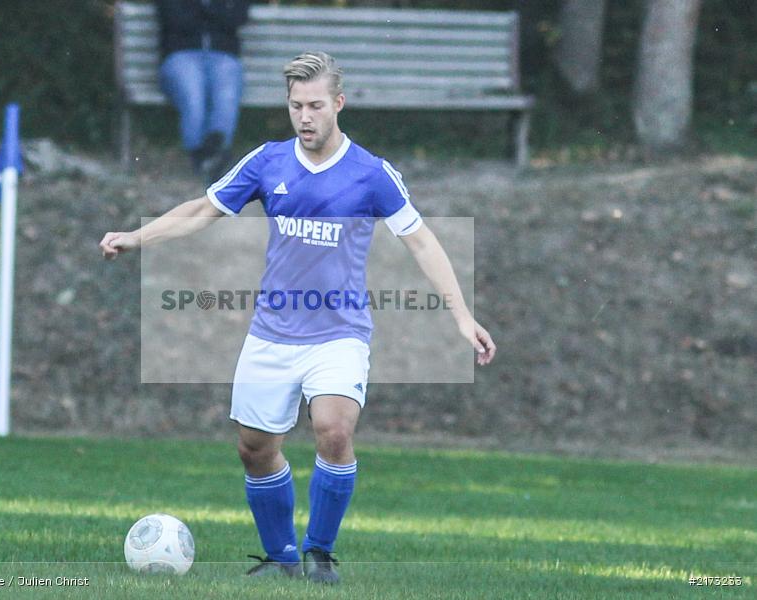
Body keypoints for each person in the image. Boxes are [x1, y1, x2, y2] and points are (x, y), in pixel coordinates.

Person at [100, 51, 496, 585]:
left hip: (339, 335)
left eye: (315, 106)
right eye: (295, 106)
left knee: (333, 429)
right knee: (254, 449)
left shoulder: (372, 174)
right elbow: (204, 208)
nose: (304, 117)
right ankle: (282, 556)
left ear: (338, 103)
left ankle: (319, 552)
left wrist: (461, 315)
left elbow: (422, 242)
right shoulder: (267, 162)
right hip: (272, 333)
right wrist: (137, 237)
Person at [156, 0, 251, 184]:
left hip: (223, 55)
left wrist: (203, 10)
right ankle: (201, 155)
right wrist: (214, 11)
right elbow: (175, 20)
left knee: (227, 95)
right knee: (193, 95)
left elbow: (238, 17)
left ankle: (215, 152)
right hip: (181, 56)